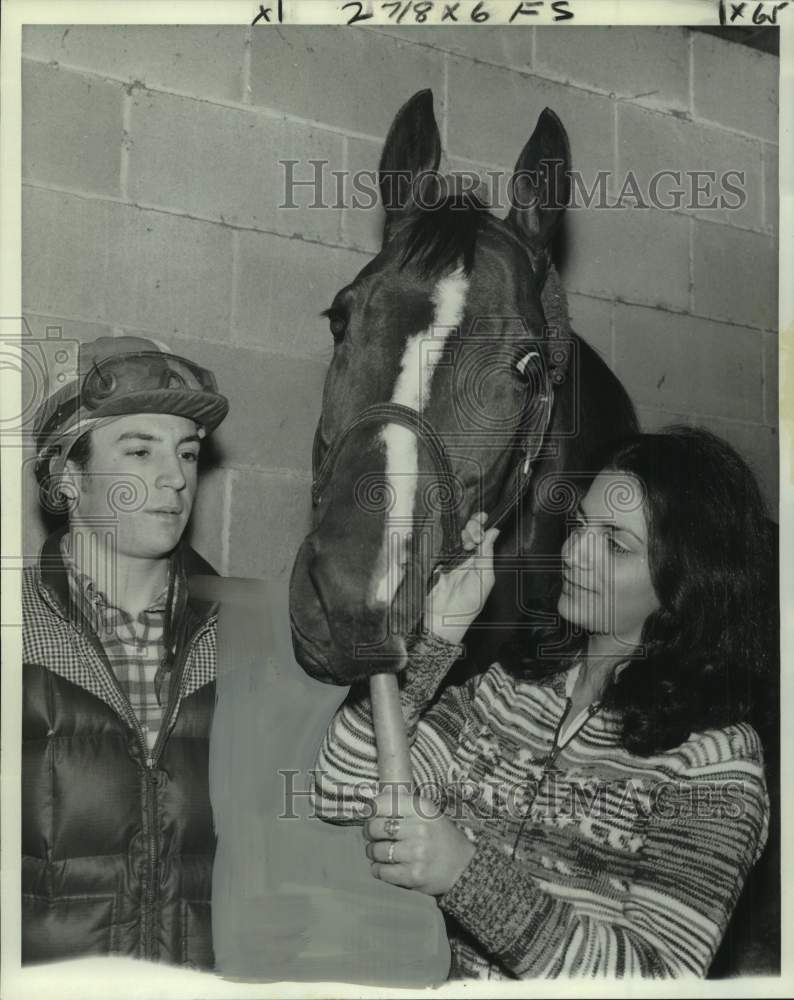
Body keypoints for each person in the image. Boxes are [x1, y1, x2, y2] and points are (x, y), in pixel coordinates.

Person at [312, 427, 773, 979]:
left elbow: (658, 978)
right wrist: (436, 637)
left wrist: (466, 874)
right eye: (578, 525)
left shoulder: (716, 762)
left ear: (685, 584)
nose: (574, 553)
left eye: (615, 544)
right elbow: (341, 792)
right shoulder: (511, 690)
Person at [22, 335, 229, 968]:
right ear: (66, 477)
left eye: (187, 453)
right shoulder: (15, 630)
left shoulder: (248, 634)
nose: (175, 477)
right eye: (140, 450)